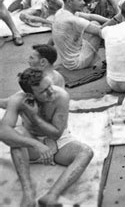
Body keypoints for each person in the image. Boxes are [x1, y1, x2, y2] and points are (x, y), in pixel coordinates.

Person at [1, 68, 93, 206]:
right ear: (30, 95)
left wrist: (34, 116)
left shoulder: (61, 96)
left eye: (49, 85)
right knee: (17, 136)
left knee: (86, 152)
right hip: (32, 140)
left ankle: (51, 195)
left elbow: (56, 133)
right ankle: (28, 193)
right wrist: (35, 144)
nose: (51, 91)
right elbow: (3, 132)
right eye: (43, 91)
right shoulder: (18, 99)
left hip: (59, 140)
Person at [52, 0, 102, 70]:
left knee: (94, 23)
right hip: (76, 63)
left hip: (67, 60)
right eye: (80, 0)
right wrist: (118, 19)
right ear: (69, 2)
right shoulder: (73, 20)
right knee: (101, 31)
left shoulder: (60, 12)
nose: (83, 2)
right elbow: (102, 31)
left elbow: (90, 16)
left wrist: (111, 20)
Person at [0, 44, 65, 109]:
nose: (28, 61)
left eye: (31, 58)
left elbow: (10, 103)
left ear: (43, 62)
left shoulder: (40, 82)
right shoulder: (58, 75)